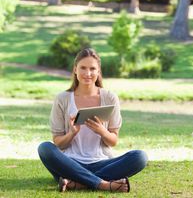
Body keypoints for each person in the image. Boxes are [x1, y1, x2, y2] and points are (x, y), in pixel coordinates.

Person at [38, 47, 148, 193]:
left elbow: (113, 141)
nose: (87, 73)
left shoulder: (110, 98)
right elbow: (58, 143)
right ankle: (102, 184)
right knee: (45, 148)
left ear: (98, 71)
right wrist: (72, 133)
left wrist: (102, 131)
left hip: (102, 163)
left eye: (92, 69)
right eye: (83, 68)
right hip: (70, 163)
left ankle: (77, 183)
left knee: (139, 157)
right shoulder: (62, 99)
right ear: (75, 69)